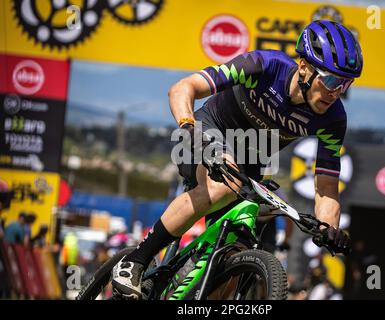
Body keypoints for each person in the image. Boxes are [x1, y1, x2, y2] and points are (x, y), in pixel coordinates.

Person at [112, 20, 361, 299]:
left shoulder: (333, 118)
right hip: (205, 132)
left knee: (241, 242)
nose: (336, 92)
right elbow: (182, 88)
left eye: (345, 84)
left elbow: (326, 189)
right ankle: (134, 261)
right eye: (331, 80)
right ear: (304, 67)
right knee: (222, 184)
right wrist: (190, 129)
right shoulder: (264, 66)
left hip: (251, 159)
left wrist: (329, 228)